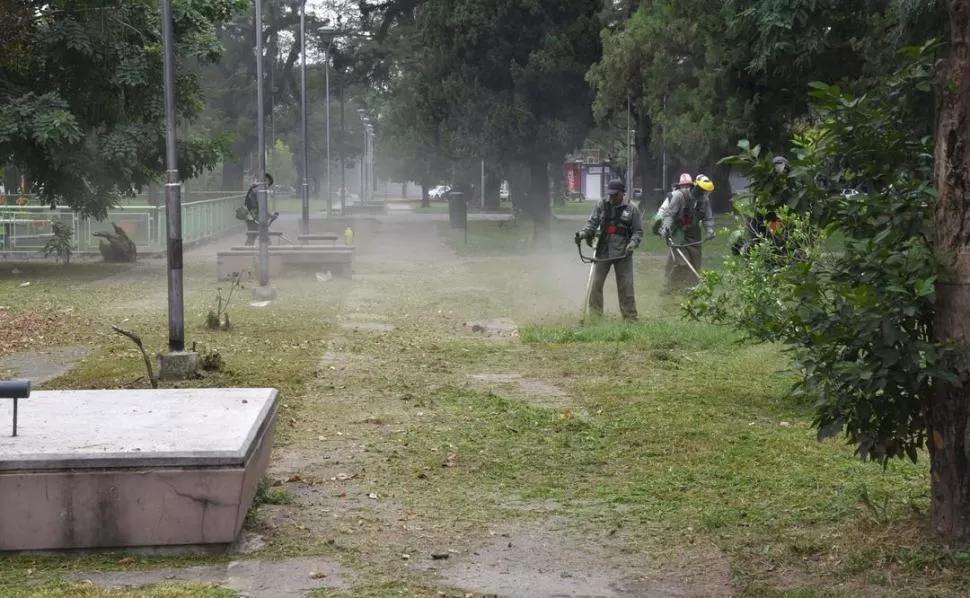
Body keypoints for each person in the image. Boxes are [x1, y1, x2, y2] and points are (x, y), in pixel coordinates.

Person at [575, 179, 644, 320]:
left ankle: (630, 317)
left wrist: (632, 244)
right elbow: (591, 224)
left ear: (622, 194)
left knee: (626, 286)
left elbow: (638, 232)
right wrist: (582, 234)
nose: (611, 198)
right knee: (596, 284)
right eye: (610, 194)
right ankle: (596, 316)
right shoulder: (601, 205)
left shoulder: (632, 209)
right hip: (603, 251)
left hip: (623, 253)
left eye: (615, 195)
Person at [656, 173, 716, 293]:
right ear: (696, 187)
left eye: (706, 192)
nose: (704, 193)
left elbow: (707, 218)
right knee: (682, 264)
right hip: (678, 234)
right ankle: (670, 288)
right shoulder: (679, 196)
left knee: (695, 266)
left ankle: (690, 290)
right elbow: (669, 214)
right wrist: (665, 228)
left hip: (694, 235)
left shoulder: (704, 201)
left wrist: (710, 230)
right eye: (702, 190)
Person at [239, 173, 278, 246]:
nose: (267, 185)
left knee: (253, 236)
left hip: (251, 216)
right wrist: (271, 216)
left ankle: (248, 252)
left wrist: (270, 216)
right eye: (266, 182)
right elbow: (262, 207)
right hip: (254, 217)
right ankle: (263, 252)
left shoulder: (255, 188)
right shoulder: (259, 190)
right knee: (260, 236)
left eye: (268, 183)